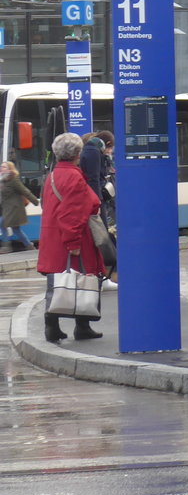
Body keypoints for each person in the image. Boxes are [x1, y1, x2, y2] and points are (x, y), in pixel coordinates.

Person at [36, 132, 104, 343]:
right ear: (77, 153)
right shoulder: (74, 176)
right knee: (82, 279)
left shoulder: (53, 175)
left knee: (58, 282)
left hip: (53, 237)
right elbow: (72, 213)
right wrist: (73, 243)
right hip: (73, 238)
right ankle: (82, 326)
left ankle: (52, 326)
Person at [0, 160, 36, 252]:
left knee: (2, 223)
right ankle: (28, 245)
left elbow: (24, 190)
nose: (1, 168)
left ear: (9, 169)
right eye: (1, 167)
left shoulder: (14, 179)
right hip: (7, 209)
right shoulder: (2, 180)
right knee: (16, 229)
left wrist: (35, 201)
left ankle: (6, 246)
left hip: (14, 209)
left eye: (4, 167)